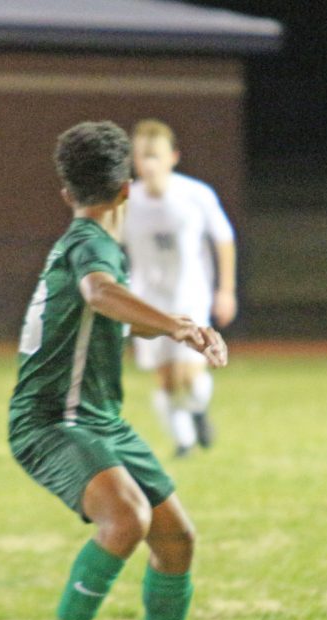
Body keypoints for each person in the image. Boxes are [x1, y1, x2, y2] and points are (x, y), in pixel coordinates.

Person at [10, 120, 228, 620]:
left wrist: (172, 328)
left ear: (66, 191)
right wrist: (179, 325)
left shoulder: (88, 244)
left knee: (176, 539)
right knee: (127, 518)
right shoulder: (93, 244)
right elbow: (100, 293)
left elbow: (105, 309)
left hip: (97, 417)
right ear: (127, 188)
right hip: (51, 420)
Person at [123, 119, 238, 457]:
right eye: (142, 157)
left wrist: (226, 290)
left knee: (189, 373)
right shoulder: (126, 201)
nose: (148, 164)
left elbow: (223, 239)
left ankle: (198, 409)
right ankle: (184, 442)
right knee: (167, 379)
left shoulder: (196, 195)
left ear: (173, 157)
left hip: (190, 294)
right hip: (147, 298)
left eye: (155, 156)